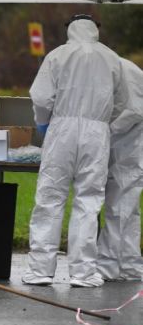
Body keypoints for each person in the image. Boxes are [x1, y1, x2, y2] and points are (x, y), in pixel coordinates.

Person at [23, 14, 127, 288]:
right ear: (96, 30)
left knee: (50, 197)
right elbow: (123, 100)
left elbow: (42, 96)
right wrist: (103, 120)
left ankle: (40, 270)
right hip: (97, 132)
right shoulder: (112, 59)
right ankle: (82, 272)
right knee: (88, 201)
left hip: (62, 130)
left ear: (68, 29)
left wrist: (44, 122)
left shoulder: (58, 55)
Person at [97, 58, 143, 281]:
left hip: (132, 140)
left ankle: (109, 264)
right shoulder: (108, 66)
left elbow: (135, 111)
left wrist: (106, 131)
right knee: (128, 206)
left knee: (121, 203)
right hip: (124, 139)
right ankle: (129, 264)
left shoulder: (122, 69)